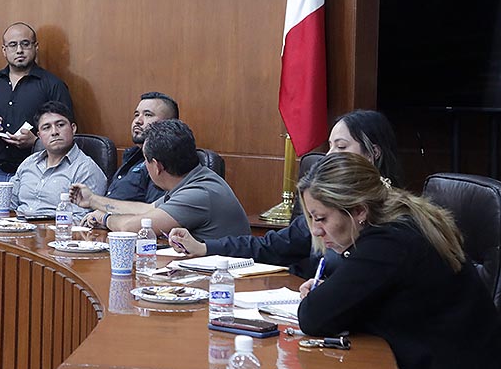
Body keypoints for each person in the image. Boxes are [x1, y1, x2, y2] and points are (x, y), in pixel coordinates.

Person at [296, 152, 501, 369]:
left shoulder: (389, 243)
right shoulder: (403, 221)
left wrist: (323, 296)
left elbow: (312, 317)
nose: (315, 230)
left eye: (321, 218)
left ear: (359, 210)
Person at [168, 109, 401, 277]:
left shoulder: (391, 216)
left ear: (373, 154)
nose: (329, 156)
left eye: (341, 147)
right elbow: (272, 246)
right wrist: (205, 247)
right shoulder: (322, 202)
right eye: (329, 146)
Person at [76, 119, 249, 238]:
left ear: (157, 166)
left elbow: (132, 227)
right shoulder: (192, 179)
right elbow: (147, 210)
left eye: (145, 160)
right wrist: (92, 200)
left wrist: (105, 219)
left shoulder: (199, 193)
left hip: (223, 278)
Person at [0, 23, 73, 186]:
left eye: (25, 44)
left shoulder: (53, 85)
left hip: (39, 174)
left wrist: (36, 142)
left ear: (35, 47)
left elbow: (67, 132)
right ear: (4, 50)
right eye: (13, 45)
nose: (19, 50)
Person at [9, 101, 106, 220]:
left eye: (60, 125)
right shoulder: (29, 163)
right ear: (39, 136)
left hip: (57, 229)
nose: (54, 132)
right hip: (17, 226)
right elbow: (9, 204)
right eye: (46, 128)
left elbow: (81, 219)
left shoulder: (86, 169)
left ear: (73, 128)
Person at [103, 91, 178, 202]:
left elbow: (153, 210)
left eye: (148, 115)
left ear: (169, 124)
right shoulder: (133, 156)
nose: (138, 121)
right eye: (136, 115)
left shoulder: (165, 163)